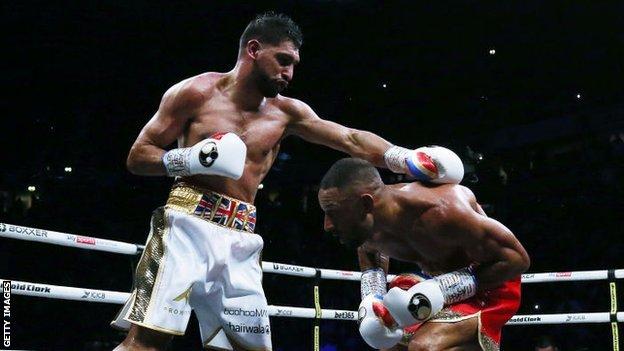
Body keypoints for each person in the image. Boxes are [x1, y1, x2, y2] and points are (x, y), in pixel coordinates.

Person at [111, 12, 465, 351]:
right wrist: (193, 159)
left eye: (294, 64)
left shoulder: (286, 113)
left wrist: (402, 157)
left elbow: (350, 139)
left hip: (242, 239)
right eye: (282, 60)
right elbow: (138, 157)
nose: (289, 73)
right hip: (185, 228)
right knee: (148, 342)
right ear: (253, 50)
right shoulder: (194, 93)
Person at [317, 158, 530, 351]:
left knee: (424, 347)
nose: (327, 225)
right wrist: (372, 296)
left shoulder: (442, 210)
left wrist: (442, 290)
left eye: (334, 213)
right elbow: (370, 253)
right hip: (434, 285)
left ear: (366, 204)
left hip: (491, 285)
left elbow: (517, 259)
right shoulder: (365, 228)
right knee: (390, 345)